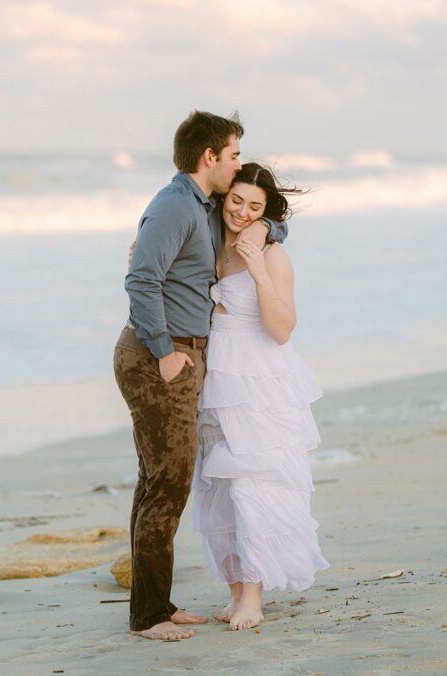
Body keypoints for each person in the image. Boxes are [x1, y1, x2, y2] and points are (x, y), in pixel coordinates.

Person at [114, 110, 286, 641]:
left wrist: (267, 224)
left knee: (158, 484)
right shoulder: (173, 207)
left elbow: (266, 220)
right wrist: (164, 351)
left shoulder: (201, 204)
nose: (237, 165)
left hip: (186, 355)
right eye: (233, 155)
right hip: (157, 357)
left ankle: (155, 604)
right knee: (165, 487)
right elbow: (141, 280)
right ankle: (148, 618)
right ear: (209, 157)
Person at [192, 163, 328, 631]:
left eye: (255, 207)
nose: (242, 213)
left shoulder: (271, 254)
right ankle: (234, 594)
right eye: (236, 201)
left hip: (258, 376)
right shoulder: (209, 239)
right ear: (223, 197)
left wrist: (258, 270)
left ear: (267, 212)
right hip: (218, 377)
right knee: (219, 485)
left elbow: (282, 330)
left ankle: (254, 595)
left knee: (254, 482)